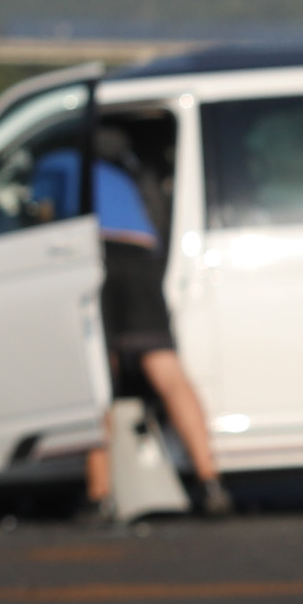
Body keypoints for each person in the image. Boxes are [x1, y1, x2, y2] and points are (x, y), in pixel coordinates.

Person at [84, 133, 233, 519]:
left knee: (96, 375)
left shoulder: (54, 161)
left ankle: (99, 494)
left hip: (95, 252)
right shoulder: (125, 169)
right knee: (165, 366)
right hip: (141, 255)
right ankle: (210, 479)